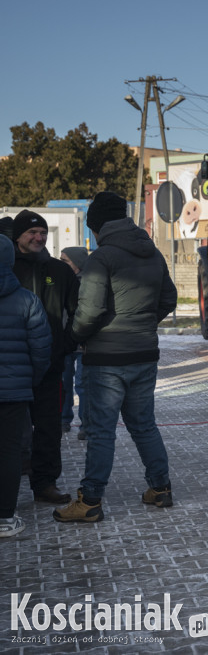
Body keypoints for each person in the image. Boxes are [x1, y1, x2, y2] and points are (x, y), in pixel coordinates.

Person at [54, 192, 177, 523]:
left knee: (101, 430)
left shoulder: (101, 258)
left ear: (97, 226)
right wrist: (143, 324)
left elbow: (89, 311)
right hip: (144, 353)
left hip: (107, 358)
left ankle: (90, 498)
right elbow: (169, 298)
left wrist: (73, 337)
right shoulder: (153, 253)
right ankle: (160, 487)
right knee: (144, 425)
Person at [11, 209, 78, 506]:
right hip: (12, 366)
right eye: (31, 233)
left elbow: (78, 311)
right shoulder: (7, 269)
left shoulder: (59, 271)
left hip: (50, 365)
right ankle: (8, 489)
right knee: (10, 432)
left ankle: (45, 484)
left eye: (42, 233)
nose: (38, 237)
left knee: (49, 428)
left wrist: (66, 343)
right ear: (17, 238)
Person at [0, 235, 51, 537]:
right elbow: (41, 350)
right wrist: (28, 381)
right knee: (9, 453)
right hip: (14, 392)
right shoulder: (27, 300)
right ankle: (5, 518)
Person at [59, 246, 89, 439]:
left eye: (65, 261)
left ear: (77, 263)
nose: (61, 264)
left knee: (83, 384)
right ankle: (63, 420)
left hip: (84, 341)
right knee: (64, 383)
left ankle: (86, 424)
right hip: (64, 340)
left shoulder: (90, 282)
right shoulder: (61, 279)